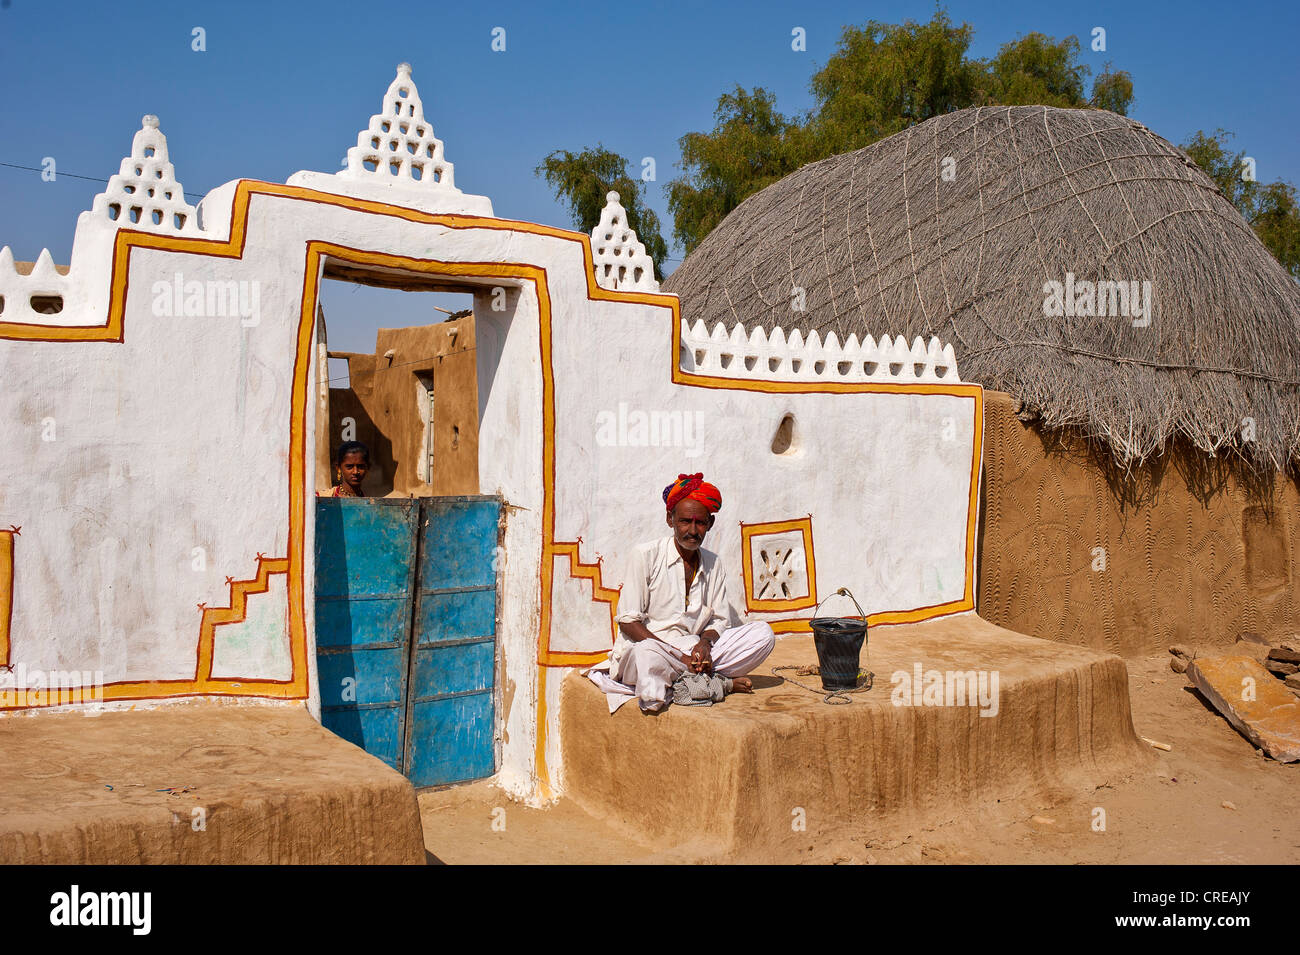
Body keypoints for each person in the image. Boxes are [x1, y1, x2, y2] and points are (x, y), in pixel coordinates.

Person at [609, 472, 776, 712]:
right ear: (670, 519)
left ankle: (692, 679)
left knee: (763, 634)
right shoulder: (645, 555)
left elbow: (719, 619)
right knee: (646, 657)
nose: (693, 530)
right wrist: (679, 656)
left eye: (700, 523)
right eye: (685, 521)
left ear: (710, 524)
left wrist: (705, 645)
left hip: (693, 652)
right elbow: (628, 623)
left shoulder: (713, 563)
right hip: (653, 649)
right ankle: (717, 683)